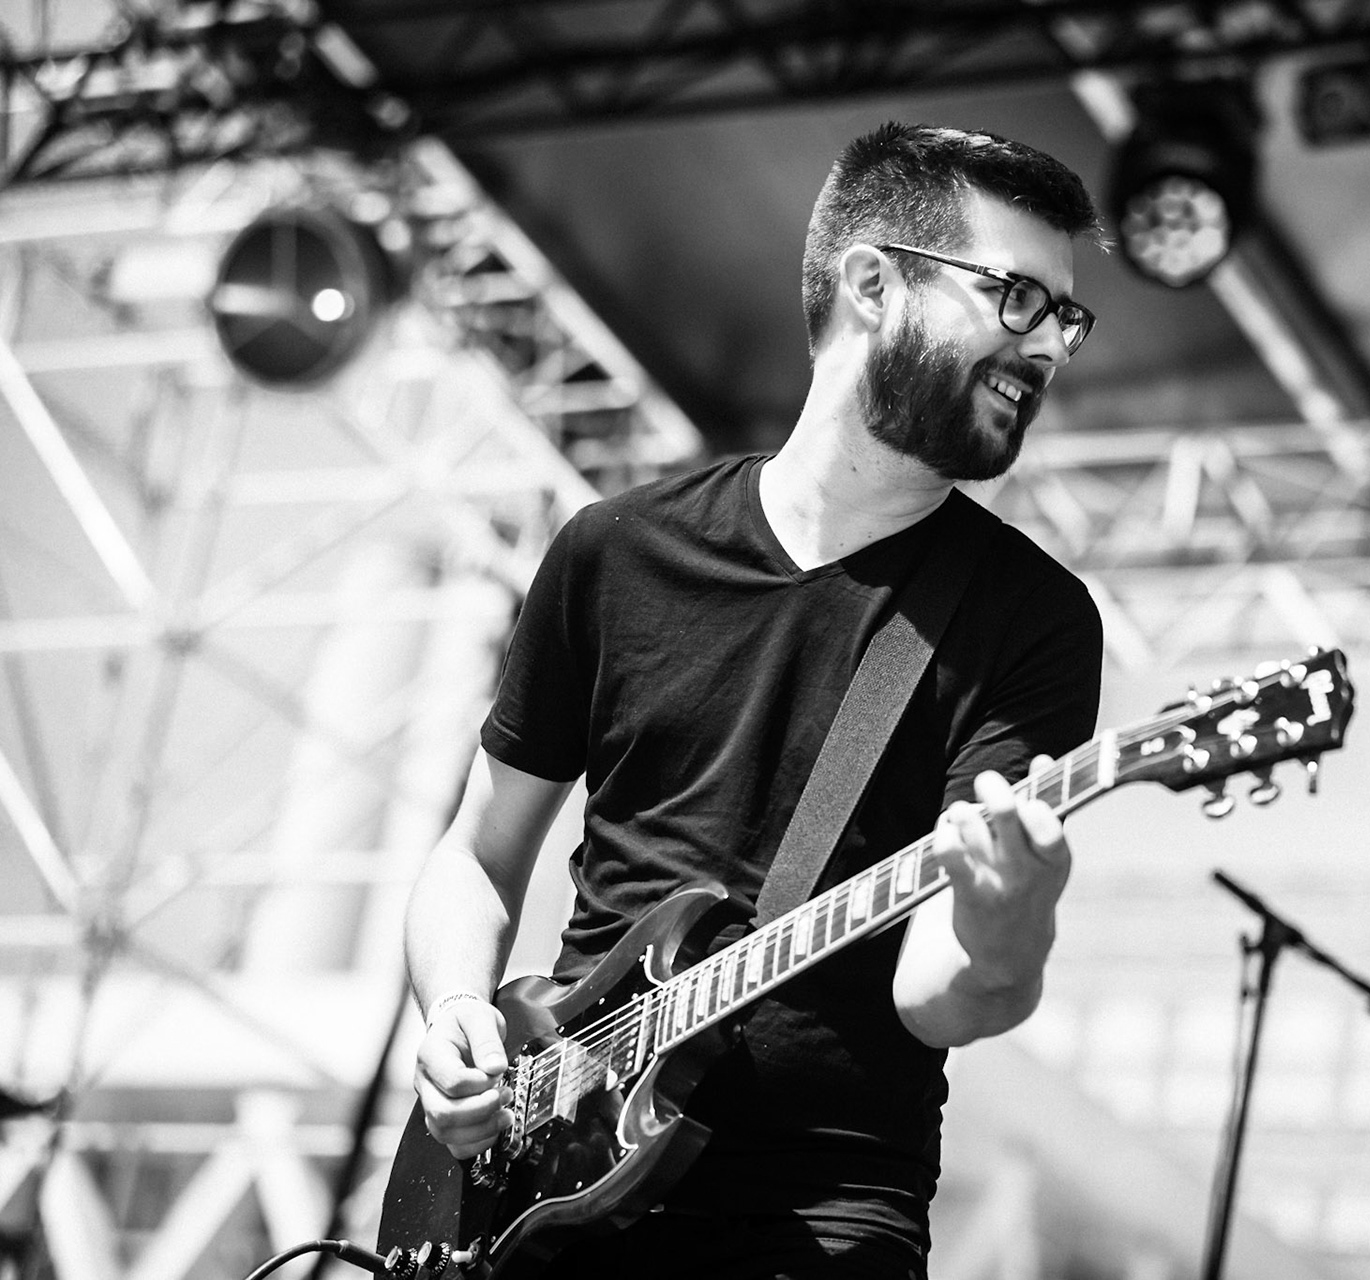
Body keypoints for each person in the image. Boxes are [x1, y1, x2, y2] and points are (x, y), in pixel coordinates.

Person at [403, 122, 1106, 1280]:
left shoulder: (1027, 619)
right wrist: (453, 1016)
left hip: (821, 1217)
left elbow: (942, 995)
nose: (1046, 349)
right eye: (1017, 297)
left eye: (1065, 318)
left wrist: (1007, 917)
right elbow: (479, 854)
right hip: (535, 1186)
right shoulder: (614, 553)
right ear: (874, 282)